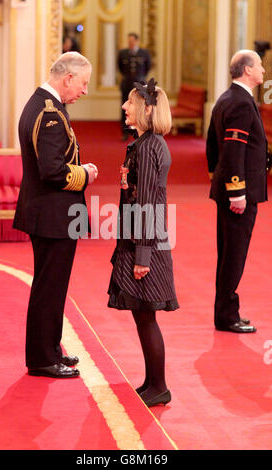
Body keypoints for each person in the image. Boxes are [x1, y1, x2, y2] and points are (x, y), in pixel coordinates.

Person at [13, 52, 98, 378]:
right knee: (49, 288)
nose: (85, 90)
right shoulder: (49, 113)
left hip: (49, 213)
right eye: (83, 83)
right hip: (52, 215)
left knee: (51, 287)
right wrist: (86, 173)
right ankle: (42, 358)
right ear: (67, 78)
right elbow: (53, 172)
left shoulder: (43, 105)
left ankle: (50, 349)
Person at [107, 78, 179, 407]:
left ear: (146, 110)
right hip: (139, 239)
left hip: (146, 244)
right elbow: (139, 195)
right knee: (141, 314)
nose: (125, 107)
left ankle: (159, 386)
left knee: (147, 314)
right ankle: (152, 382)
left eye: (131, 103)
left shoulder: (150, 146)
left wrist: (143, 255)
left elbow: (150, 204)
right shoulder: (143, 143)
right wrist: (126, 183)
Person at [206, 50, 268, 333]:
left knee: (228, 253)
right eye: (260, 66)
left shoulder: (227, 98)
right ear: (246, 70)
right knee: (234, 255)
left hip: (228, 188)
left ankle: (226, 311)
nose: (264, 71)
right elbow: (233, 149)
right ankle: (226, 316)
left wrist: (215, 177)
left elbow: (211, 145)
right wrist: (236, 192)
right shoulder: (241, 103)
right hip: (238, 194)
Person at [118, 33, 151, 141]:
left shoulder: (144, 53)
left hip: (140, 85)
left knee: (141, 108)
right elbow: (120, 68)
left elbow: (147, 67)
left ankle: (140, 131)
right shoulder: (123, 53)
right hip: (127, 84)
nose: (130, 43)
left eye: (132, 41)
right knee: (125, 108)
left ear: (137, 41)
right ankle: (125, 132)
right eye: (129, 41)